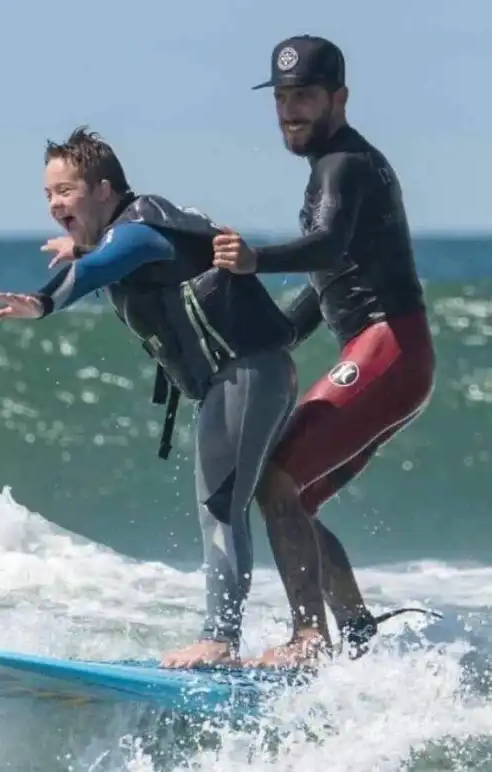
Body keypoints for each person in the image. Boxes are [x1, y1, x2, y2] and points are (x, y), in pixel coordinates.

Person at [0, 127, 306, 668]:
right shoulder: (139, 230)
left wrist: (43, 303)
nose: (55, 204)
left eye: (65, 191)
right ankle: (312, 630)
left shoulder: (140, 230)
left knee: (219, 505)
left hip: (246, 375)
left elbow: (100, 266)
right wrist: (82, 245)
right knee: (253, 500)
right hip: (252, 374)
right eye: (47, 194)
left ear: (104, 190)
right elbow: (107, 254)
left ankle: (220, 639)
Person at [212, 35, 436, 667]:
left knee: (277, 479)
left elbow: (329, 246)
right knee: (297, 496)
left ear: (339, 98)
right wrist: (273, 337)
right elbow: (331, 279)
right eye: (282, 98)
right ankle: (358, 636)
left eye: (305, 96)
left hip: (389, 345)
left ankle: (309, 637)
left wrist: (255, 259)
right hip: (392, 353)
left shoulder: (343, 165)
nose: (290, 110)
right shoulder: (339, 166)